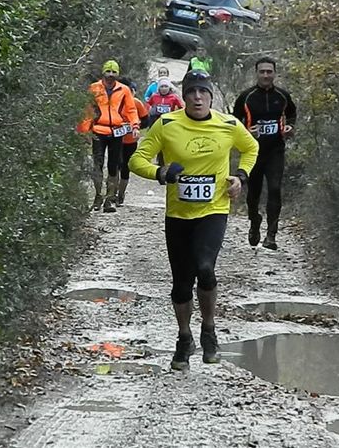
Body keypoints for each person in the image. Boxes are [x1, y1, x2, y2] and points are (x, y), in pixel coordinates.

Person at [129, 70, 259, 371]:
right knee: (181, 284)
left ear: (210, 96)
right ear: (183, 96)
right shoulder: (167, 124)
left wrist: (241, 176)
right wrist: (160, 173)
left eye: (203, 92)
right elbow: (136, 160)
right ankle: (184, 337)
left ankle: (209, 330)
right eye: (191, 92)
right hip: (178, 214)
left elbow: (251, 147)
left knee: (206, 268)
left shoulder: (227, 124)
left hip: (214, 210)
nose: (197, 97)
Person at [232, 56, 297, 250]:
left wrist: (290, 127)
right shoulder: (246, 96)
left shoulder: (282, 96)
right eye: (262, 72)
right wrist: (245, 130)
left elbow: (292, 113)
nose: (266, 75)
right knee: (253, 193)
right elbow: (233, 122)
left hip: (275, 150)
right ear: (256, 74)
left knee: (275, 189)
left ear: (275, 73)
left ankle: (271, 235)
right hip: (253, 152)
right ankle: (254, 222)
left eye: (269, 71)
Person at [77, 60, 140, 213]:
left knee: (114, 165)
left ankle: (109, 199)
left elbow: (131, 109)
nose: (111, 75)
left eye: (114, 72)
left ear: (118, 74)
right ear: (103, 72)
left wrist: (135, 126)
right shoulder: (94, 88)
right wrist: (84, 131)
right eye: (108, 72)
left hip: (116, 131)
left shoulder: (124, 90)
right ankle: (98, 196)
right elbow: (88, 112)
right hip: (98, 131)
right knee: (97, 164)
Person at [117, 77, 150, 206]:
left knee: (126, 167)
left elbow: (146, 121)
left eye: (131, 91)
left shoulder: (136, 103)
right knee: (115, 165)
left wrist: (134, 127)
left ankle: (120, 194)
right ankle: (112, 194)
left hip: (130, 141)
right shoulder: (113, 103)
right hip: (115, 140)